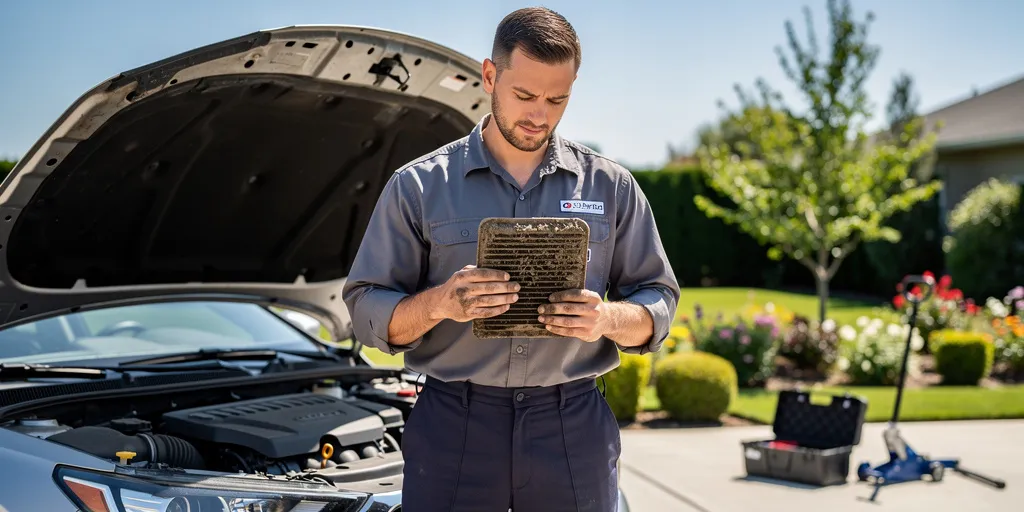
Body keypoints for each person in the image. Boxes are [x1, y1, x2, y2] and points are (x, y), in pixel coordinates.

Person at [342, 6, 679, 511]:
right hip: (453, 427)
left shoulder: (612, 187)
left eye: (557, 99)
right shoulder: (418, 186)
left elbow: (659, 304)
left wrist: (606, 317)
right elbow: (367, 309)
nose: (539, 114)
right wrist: (439, 304)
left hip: (572, 428)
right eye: (524, 95)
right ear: (489, 75)